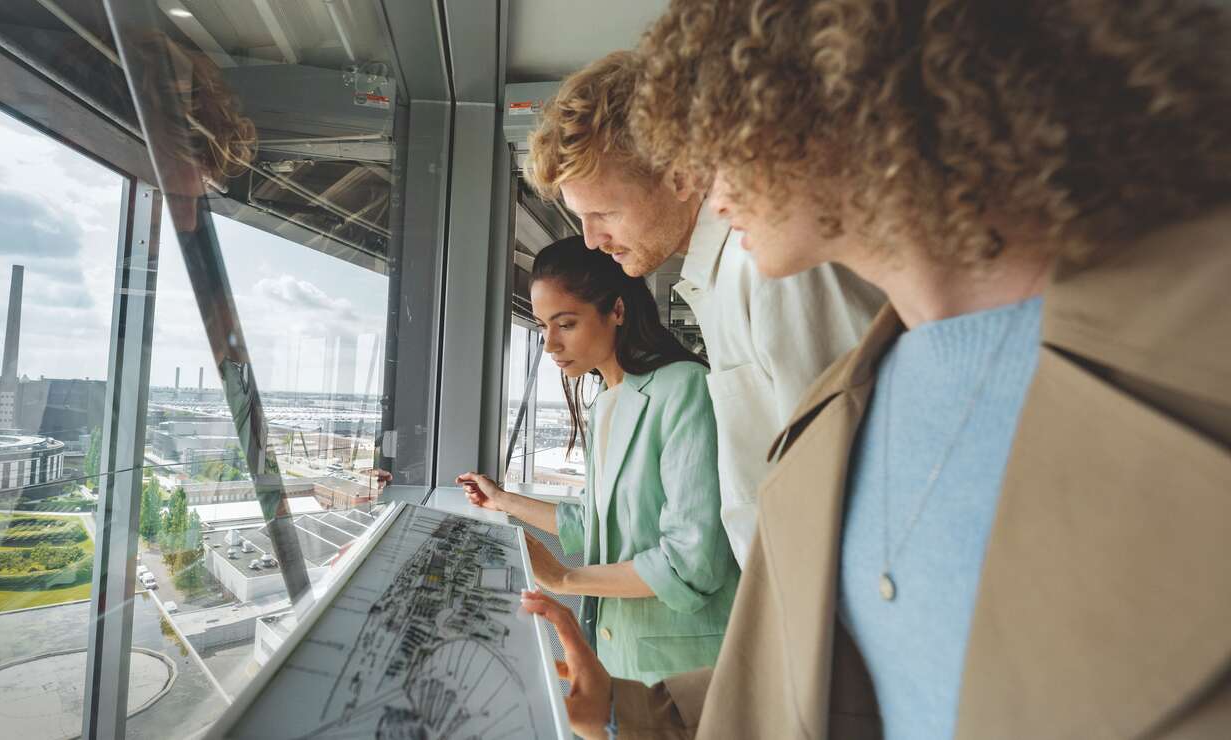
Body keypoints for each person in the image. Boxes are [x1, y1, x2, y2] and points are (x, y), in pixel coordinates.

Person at [523, 1, 1231, 737]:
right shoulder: (862, 386)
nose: (707, 186)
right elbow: (851, 657)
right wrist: (632, 711)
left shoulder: (1174, 365)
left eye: (726, 141)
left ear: (845, 114)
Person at [525, 51, 883, 567]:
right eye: (582, 218)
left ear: (680, 175)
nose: (591, 239)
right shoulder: (719, 278)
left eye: (604, 212)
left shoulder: (770, 268)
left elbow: (860, 473)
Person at [458, 236, 737, 685]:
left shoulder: (685, 387)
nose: (550, 344)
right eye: (543, 326)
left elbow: (690, 563)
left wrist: (563, 579)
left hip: (684, 671)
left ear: (617, 311)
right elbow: (594, 522)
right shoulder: (605, 401)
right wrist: (503, 501)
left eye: (566, 324)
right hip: (616, 654)